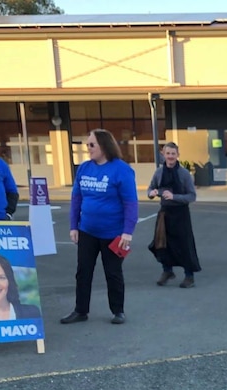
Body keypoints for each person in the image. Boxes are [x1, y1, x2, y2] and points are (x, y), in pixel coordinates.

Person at [61, 129, 138, 325]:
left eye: (92, 145)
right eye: (87, 145)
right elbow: (76, 198)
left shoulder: (121, 170)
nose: (88, 148)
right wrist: (73, 226)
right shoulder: (84, 168)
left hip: (113, 234)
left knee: (113, 272)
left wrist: (127, 232)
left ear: (104, 146)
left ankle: (118, 310)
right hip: (87, 230)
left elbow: (130, 203)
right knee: (83, 271)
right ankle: (81, 310)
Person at [147, 142, 201, 288]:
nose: (170, 157)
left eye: (173, 154)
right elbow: (151, 188)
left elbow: (192, 196)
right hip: (164, 213)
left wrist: (174, 197)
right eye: (168, 154)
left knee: (184, 245)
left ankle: (189, 276)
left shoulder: (184, 174)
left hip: (181, 214)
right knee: (161, 244)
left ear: (178, 155)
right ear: (163, 155)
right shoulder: (158, 172)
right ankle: (167, 271)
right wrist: (151, 194)